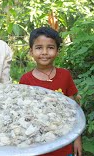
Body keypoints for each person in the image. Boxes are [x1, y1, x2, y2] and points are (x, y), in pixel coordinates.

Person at [19, 27, 82, 156]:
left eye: (50, 47)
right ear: (31, 51)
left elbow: (74, 111)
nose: (44, 52)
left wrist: (77, 139)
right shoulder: (26, 80)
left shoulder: (65, 75)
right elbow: (23, 115)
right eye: (39, 47)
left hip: (63, 143)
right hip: (36, 145)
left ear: (58, 51)